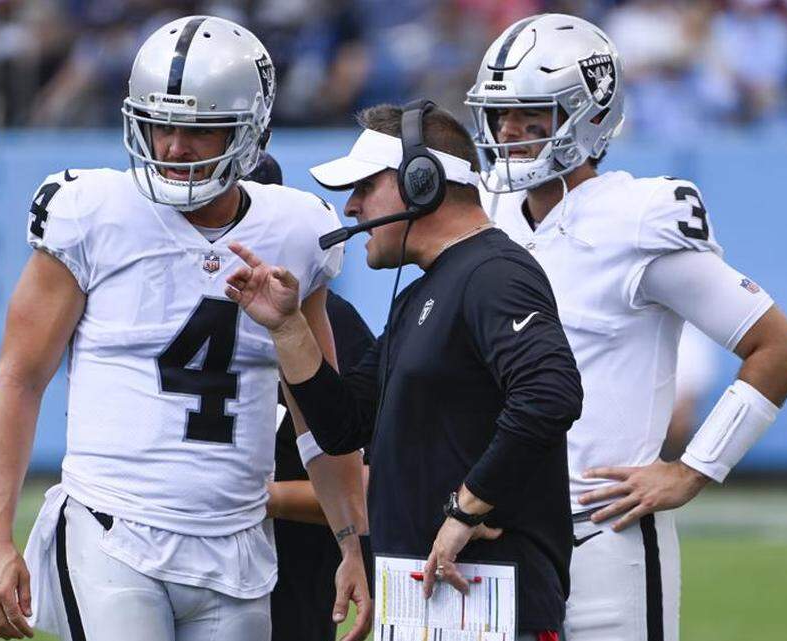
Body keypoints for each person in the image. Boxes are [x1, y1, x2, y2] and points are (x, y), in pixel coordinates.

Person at [0, 16, 371, 641]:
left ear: (250, 130)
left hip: (238, 544)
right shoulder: (89, 214)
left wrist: (350, 539)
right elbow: (18, 381)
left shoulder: (296, 228)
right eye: (161, 124)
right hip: (113, 526)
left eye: (200, 129)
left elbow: (314, 414)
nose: (173, 147)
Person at [466, 14, 787, 641]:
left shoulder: (635, 218)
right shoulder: (488, 216)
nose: (509, 133)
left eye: (532, 116)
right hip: (498, 527)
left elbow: (781, 348)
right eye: (500, 116)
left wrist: (693, 470)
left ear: (587, 117)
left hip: (603, 536)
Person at [224, 101, 584, 641]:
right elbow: (344, 424)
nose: (351, 208)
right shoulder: (424, 290)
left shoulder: (495, 273)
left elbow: (551, 394)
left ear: (421, 182)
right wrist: (288, 327)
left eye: (365, 188)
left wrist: (465, 510)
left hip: (487, 598)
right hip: (428, 598)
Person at [244, 152, 379, 641]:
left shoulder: (336, 326)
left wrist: (257, 499)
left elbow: (367, 486)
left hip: (298, 586)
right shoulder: (163, 311)